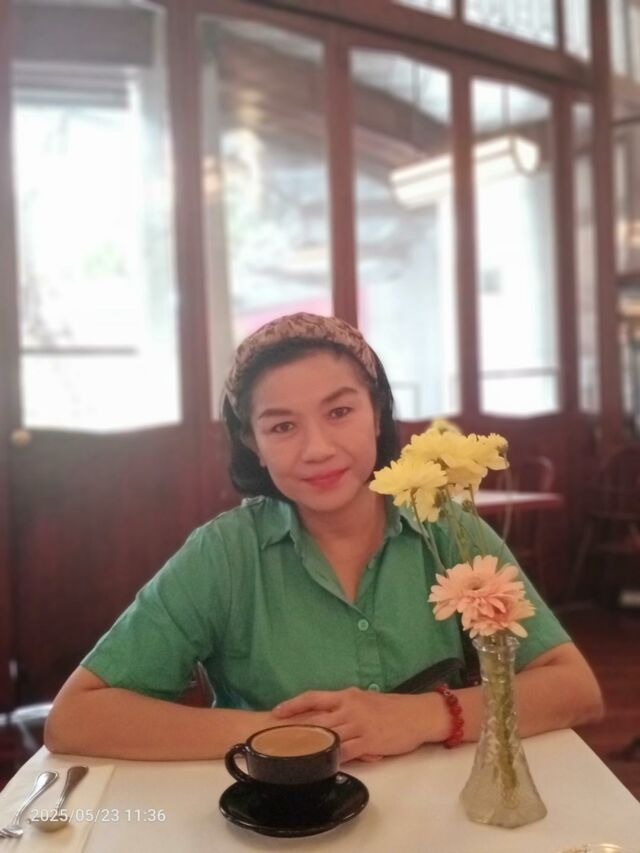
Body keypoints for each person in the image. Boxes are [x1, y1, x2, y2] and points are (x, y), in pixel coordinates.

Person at [44, 313, 603, 762]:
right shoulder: (225, 555)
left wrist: (420, 717)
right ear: (253, 443)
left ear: (377, 414)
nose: (317, 449)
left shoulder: (446, 528)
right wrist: (279, 732)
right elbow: (75, 718)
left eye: (339, 411)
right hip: (274, 819)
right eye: (282, 426)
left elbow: (575, 689)